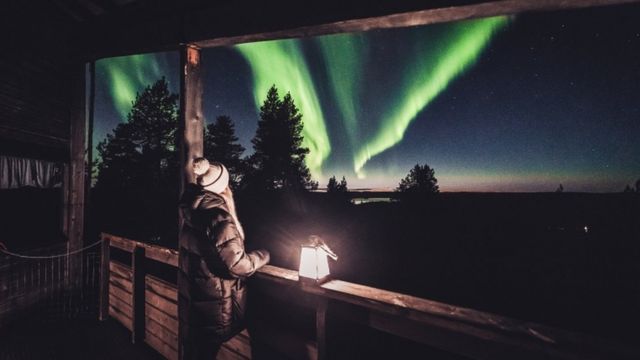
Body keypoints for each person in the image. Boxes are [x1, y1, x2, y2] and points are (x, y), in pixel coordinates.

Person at [178, 157, 270, 359]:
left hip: (196, 302)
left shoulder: (192, 212)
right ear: (223, 187)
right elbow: (238, 265)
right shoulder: (219, 217)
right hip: (215, 307)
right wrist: (263, 255)